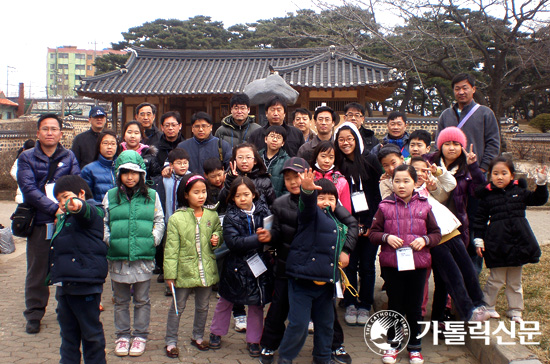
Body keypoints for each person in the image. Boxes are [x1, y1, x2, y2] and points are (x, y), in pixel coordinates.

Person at [259, 158, 357, 364]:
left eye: (298, 176)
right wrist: (270, 237)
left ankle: (334, 346)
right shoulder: (280, 203)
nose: (294, 181)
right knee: (279, 310)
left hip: (320, 270)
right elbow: (277, 232)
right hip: (289, 267)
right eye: (288, 178)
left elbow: (350, 224)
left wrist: (345, 250)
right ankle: (269, 346)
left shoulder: (321, 200)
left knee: (327, 316)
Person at [370, 164, 442, 364]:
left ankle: (415, 348)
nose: (401, 185)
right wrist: (386, 238)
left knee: (415, 306)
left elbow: (436, 234)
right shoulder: (384, 206)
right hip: (392, 265)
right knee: (395, 305)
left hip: (418, 265)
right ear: (391, 183)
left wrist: (425, 240)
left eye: (406, 181)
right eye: (397, 181)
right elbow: (373, 234)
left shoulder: (425, 205)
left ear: (415, 182)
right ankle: (392, 346)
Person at [17, 113, 81, 334]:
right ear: (38, 133)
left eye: (54, 129)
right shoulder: (26, 157)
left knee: (68, 266)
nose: (50, 133)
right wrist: (54, 209)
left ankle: (68, 311)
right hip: (40, 221)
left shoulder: (69, 156)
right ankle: (34, 313)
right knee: (37, 270)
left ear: (61, 133)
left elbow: (75, 182)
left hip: (66, 220)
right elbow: (29, 189)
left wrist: (65, 208)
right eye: (45, 129)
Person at [409, 156, 489, 323]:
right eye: (415, 170)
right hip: (435, 239)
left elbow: (451, 184)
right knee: (453, 276)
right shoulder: (407, 192)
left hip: (451, 230)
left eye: (423, 170)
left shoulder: (429, 187)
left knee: (468, 269)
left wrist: (437, 172)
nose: (419, 174)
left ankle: (479, 304)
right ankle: (468, 312)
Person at [102, 150, 165, 357]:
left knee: (142, 299)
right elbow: (104, 223)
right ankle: (121, 336)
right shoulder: (110, 196)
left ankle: (140, 336)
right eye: (125, 172)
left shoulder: (152, 195)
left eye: (134, 172)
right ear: (118, 173)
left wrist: (152, 240)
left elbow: (159, 221)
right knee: (120, 300)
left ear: (142, 174)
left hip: (143, 256)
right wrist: (110, 240)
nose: (130, 177)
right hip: (118, 256)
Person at [473, 157, 548, 322]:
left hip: (518, 242)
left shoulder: (519, 192)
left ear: (512, 175)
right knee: (495, 279)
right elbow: (479, 220)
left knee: (515, 281)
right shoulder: (487, 197)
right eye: (495, 173)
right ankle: (488, 307)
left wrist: (541, 184)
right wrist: (478, 239)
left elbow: (538, 200)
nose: (499, 177)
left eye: (504, 173)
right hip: (496, 242)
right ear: (490, 176)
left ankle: (515, 310)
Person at [427, 127, 486, 321]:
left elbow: (479, 193)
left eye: (456, 144)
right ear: (440, 145)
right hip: (431, 228)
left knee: (456, 272)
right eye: (447, 143)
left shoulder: (467, 169)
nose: (451, 148)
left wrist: (475, 168)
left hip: (455, 227)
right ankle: (445, 314)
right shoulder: (427, 164)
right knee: (443, 274)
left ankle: (442, 316)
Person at [209, 177, 272, 358]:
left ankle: (254, 339)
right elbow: (233, 242)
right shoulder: (230, 216)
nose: (243, 199)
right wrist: (258, 239)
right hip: (236, 266)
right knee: (226, 300)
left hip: (259, 264)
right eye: (238, 196)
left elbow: (272, 231)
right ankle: (216, 332)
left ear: (253, 194)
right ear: (232, 198)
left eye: (246, 194)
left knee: (256, 304)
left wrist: (270, 236)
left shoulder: (264, 211)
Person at [49, 175, 108, 364]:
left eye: (66, 196)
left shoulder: (94, 210)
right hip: (65, 285)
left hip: (86, 285)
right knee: (68, 336)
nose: (62, 203)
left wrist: (78, 206)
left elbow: (88, 212)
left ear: (81, 193)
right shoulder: (63, 218)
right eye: (58, 200)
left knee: (91, 336)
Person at [163, 173, 222, 358]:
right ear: (186, 194)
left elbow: (219, 233)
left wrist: (217, 239)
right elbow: (171, 250)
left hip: (206, 270)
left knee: (203, 306)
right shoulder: (176, 219)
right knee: (178, 306)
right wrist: (170, 276)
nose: (201, 196)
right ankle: (171, 341)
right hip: (184, 271)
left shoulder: (212, 215)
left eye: (204, 191)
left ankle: (197, 336)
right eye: (196, 192)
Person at [334, 121, 383, 326]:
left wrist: (373, 222)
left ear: (357, 139)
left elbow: (379, 194)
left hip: (371, 222)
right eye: (341, 139)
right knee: (350, 265)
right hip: (348, 225)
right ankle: (351, 302)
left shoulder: (370, 160)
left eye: (350, 138)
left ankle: (365, 305)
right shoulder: (337, 163)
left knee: (368, 266)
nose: (346, 143)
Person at [437, 73, 500, 173]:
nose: (461, 92)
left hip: (475, 170)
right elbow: (439, 144)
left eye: (465, 88)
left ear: (473, 89)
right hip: (448, 173)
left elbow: (493, 143)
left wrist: (483, 168)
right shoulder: (446, 115)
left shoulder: (485, 113)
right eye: (457, 89)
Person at [151, 148, 191, 286]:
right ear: (171, 165)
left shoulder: (191, 178)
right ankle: (169, 279)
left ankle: (184, 278)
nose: (183, 166)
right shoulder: (164, 179)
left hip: (187, 223)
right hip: (169, 221)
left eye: (185, 162)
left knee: (185, 251)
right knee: (169, 252)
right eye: (179, 163)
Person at [310, 140, 351, 213]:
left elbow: (346, 210)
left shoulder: (341, 181)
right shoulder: (309, 179)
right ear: (316, 157)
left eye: (331, 157)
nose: (327, 161)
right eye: (323, 156)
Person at [81, 130, 119, 203]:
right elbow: (87, 198)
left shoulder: (122, 167)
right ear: (99, 146)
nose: (109, 147)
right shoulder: (89, 170)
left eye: (113, 144)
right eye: (105, 143)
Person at [260, 125, 290, 197]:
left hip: (277, 204)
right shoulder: (256, 157)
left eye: (278, 138)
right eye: (272, 136)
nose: (275, 140)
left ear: (283, 143)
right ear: (266, 139)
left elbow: (288, 189)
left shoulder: (287, 161)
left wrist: (279, 203)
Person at [11, 139, 35, 204]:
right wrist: (24, 178)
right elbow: (13, 172)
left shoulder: (39, 160)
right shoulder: (20, 160)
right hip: (22, 194)